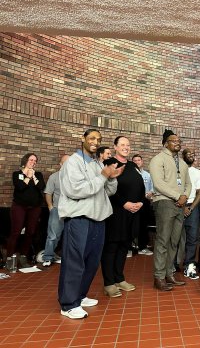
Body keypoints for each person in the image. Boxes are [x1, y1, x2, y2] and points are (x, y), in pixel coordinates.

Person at [58, 128, 123, 319]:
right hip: (79, 219)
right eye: (92, 138)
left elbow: (107, 192)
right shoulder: (73, 162)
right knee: (74, 262)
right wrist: (103, 175)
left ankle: (80, 295)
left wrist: (112, 177)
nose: (96, 141)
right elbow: (76, 190)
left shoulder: (96, 164)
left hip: (98, 219)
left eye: (99, 139)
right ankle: (68, 304)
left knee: (91, 262)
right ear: (83, 139)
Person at [101, 136, 145, 298]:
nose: (126, 147)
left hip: (133, 212)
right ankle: (109, 283)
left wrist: (140, 202)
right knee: (111, 247)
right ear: (115, 147)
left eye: (128, 145)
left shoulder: (133, 165)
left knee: (124, 246)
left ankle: (119, 278)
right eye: (122, 145)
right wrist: (124, 203)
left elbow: (140, 185)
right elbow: (109, 188)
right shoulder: (110, 163)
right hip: (116, 212)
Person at [150, 129, 191, 292]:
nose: (178, 143)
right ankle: (158, 277)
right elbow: (158, 184)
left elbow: (188, 184)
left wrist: (185, 196)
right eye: (174, 141)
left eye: (179, 141)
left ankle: (169, 274)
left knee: (174, 241)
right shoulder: (157, 160)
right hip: (165, 202)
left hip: (180, 205)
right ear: (166, 143)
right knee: (163, 241)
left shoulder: (182, 163)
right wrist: (177, 196)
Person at [6, 153, 46, 270]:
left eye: (35, 161)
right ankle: (9, 259)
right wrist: (28, 176)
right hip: (19, 207)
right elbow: (20, 187)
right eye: (31, 160)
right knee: (16, 232)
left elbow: (41, 187)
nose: (33, 162)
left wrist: (33, 176)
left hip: (35, 208)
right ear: (25, 161)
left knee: (30, 232)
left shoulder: (38, 174)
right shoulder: (17, 174)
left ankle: (23, 257)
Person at [178, 148, 200, 280]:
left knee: (192, 237)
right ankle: (173, 264)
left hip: (192, 207)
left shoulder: (197, 173)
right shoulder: (177, 170)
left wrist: (191, 207)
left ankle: (189, 265)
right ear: (183, 156)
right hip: (177, 206)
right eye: (188, 154)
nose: (191, 156)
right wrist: (182, 206)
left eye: (193, 154)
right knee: (175, 237)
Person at [42, 154, 70, 267]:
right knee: (53, 235)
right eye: (66, 163)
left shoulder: (76, 177)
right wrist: (50, 206)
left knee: (70, 236)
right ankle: (48, 257)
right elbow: (48, 193)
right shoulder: (54, 177)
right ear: (60, 164)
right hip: (57, 209)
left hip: (72, 211)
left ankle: (66, 257)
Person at [132, 154, 155, 256]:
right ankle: (130, 247)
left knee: (143, 224)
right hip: (132, 203)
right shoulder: (129, 174)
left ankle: (142, 247)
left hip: (144, 202)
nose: (137, 162)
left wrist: (150, 193)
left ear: (142, 162)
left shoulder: (147, 175)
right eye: (135, 160)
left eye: (138, 160)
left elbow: (152, 188)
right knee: (131, 225)